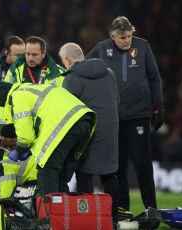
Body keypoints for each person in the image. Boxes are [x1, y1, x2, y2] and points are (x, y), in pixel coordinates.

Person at [86, 16, 163, 212]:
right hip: (113, 119)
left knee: (143, 163)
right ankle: (123, 211)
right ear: (112, 36)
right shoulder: (101, 49)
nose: (127, 41)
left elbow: (154, 78)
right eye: (122, 38)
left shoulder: (143, 46)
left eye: (129, 36)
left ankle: (151, 209)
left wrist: (158, 107)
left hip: (139, 114)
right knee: (117, 166)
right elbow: (83, 69)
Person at [0, 82, 96, 197]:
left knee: (46, 170)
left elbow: (26, 137)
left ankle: (49, 213)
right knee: (61, 176)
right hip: (85, 120)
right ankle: (65, 212)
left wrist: (19, 151)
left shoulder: (17, 95)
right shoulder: (34, 88)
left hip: (65, 125)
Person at [59, 42, 120, 222]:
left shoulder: (71, 78)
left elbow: (65, 111)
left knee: (83, 173)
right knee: (109, 174)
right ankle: (113, 219)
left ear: (68, 60)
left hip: (86, 134)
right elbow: (117, 101)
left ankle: (87, 219)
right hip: (110, 131)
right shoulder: (109, 74)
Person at [0, 36, 65, 133]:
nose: (30, 58)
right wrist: (1, 126)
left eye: (34, 55)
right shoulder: (13, 72)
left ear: (43, 54)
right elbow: (3, 101)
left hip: (48, 128)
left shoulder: (59, 73)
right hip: (21, 128)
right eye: (27, 54)